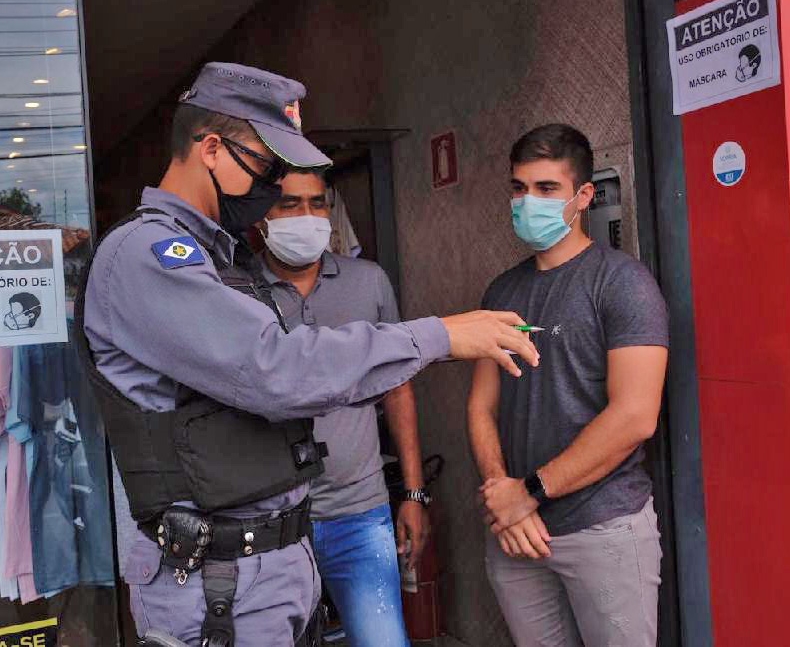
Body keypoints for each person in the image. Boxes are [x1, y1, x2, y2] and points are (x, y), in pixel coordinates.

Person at [77, 61, 539, 646]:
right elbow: (278, 368)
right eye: (267, 166)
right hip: (216, 580)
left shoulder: (220, 257)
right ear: (212, 148)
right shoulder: (148, 256)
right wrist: (438, 336)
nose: (273, 186)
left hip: (268, 568)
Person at [469, 124, 669, 647]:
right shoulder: (502, 290)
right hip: (516, 534)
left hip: (602, 527)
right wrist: (500, 496)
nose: (527, 201)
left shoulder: (622, 282)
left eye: (546, 188)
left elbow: (635, 416)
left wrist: (528, 493)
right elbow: (481, 407)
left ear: (583, 197)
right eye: (519, 188)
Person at [256, 169, 425, 646]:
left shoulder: (368, 281)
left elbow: (399, 388)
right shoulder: (236, 291)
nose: (306, 217)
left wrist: (413, 495)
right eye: (289, 205)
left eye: (316, 203)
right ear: (259, 215)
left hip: (360, 513)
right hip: (270, 523)